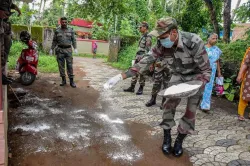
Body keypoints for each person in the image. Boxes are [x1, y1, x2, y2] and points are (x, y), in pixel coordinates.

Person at [104, 17, 211, 157]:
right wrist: (121, 76)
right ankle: (167, 136)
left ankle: (180, 140)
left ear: (174, 32)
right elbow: (146, 60)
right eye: (158, 37)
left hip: (196, 76)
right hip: (178, 75)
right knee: (168, 104)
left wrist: (197, 85)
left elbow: (206, 71)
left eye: (163, 36)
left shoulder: (193, 42)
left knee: (191, 110)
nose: (160, 39)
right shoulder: (161, 44)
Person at [123, 21, 152, 95]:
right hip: (138, 56)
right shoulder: (142, 35)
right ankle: (132, 87)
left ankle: (141, 88)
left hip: (143, 57)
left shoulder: (148, 36)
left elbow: (148, 50)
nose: (139, 28)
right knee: (134, 71)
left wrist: (144, 58)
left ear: (145, 27)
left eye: (141, 27)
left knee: (142, 72)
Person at [50, 17, 77, 88]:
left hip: (68, 50)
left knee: (70, 66)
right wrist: (51, 49)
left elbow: (73, 40)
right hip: (60, 50)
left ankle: (71, 81)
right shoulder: (57, 30)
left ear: (67, 22)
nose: (64, 23)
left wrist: (75, 48)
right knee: (61, 66)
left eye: (65, 22)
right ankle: (63, 80)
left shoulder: (71, 30)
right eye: (63, 22)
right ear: (60, 22)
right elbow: (54, 41)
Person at [0, 0, 21, 85]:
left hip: (5, 24)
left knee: (5, 50)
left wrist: (17, 9)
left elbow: (11, 5)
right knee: (1, 50)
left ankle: (1, 74)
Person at [200, 33, 222, 111]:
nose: (215, 40)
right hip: (203, 71)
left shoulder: (217, 49)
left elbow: (217, 61)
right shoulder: (203, 49)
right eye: (213, 38)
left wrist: (219, 72)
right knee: (201, 87)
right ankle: (199, 102)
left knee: (208, 88)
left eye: (216, 38)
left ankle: (205, 106)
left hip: (212, 72)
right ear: (208, 39)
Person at [236, 47, 250, 121]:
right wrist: (240, 74)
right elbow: (245, 64)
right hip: (249, 78)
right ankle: (240, 114)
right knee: (245, 95)